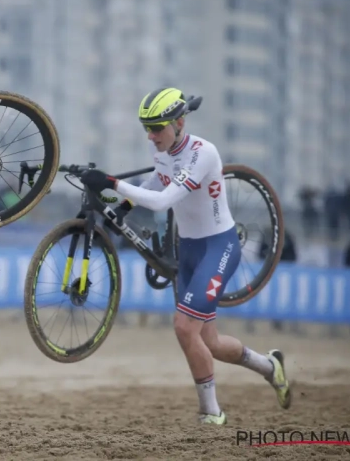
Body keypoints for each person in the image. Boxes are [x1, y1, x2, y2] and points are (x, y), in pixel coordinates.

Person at [78, 87, 290, 425]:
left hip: (218, 247)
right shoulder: (160, 145)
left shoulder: (203, 153)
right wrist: (126, 206)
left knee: (183, 327)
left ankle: (212, 413)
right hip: (188, 248)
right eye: (146, 127)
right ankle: (269, 366)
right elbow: (157, 179)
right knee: (213, 342)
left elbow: (164, 201)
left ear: (179, 122)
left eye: (157, 127)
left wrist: (111, 183)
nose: (151, 135)